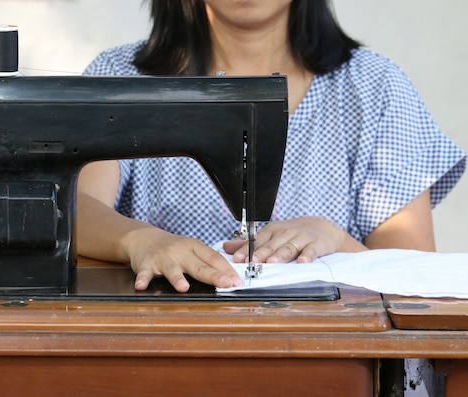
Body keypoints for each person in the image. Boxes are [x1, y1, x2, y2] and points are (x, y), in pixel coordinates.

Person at [76, 0, 466, 293]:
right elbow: (72, 207)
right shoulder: (122, 81)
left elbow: (415, 281)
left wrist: (336, 241)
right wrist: (139, 240)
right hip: (159, 348)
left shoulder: (374, 89)